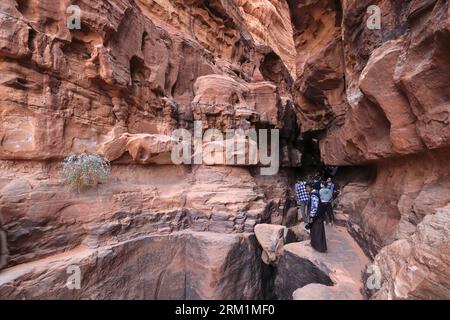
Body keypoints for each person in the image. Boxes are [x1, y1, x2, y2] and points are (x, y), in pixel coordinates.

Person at [306, 182, 327, 253]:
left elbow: (314, 207)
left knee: (317, 231)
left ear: (311, 187)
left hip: (316, 217)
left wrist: (312, 217)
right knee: (315, 230)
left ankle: (319, 247)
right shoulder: (314, 193)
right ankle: (316, 245)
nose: (306, 189)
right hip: (317, 216)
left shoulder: (313, 195)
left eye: (307, 187)